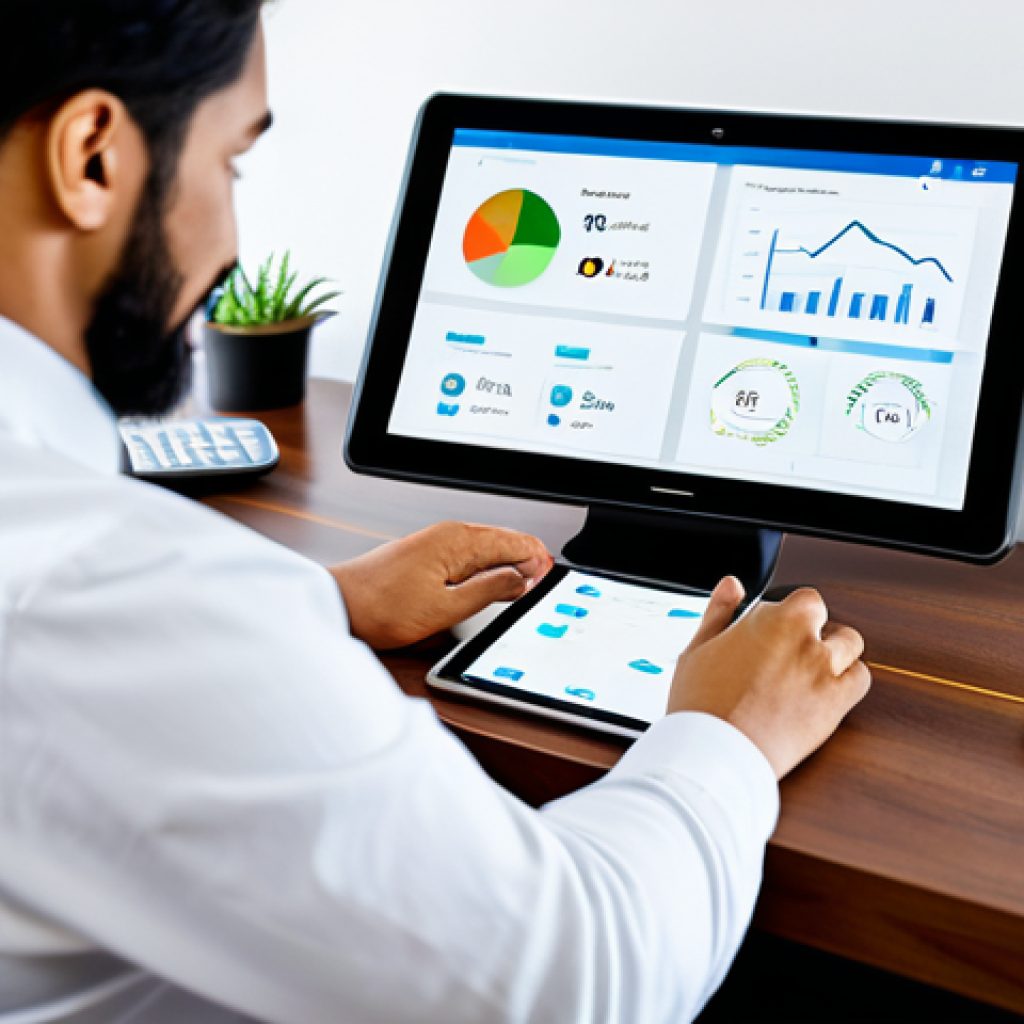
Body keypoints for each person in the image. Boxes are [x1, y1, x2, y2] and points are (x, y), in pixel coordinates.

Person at [0, 3, 871, 1022]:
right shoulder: (104, 591)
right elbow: (579, 981)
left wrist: (313, 599)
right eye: (230, 163)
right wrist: (728, 734)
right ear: (92, 157)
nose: (231, 237)